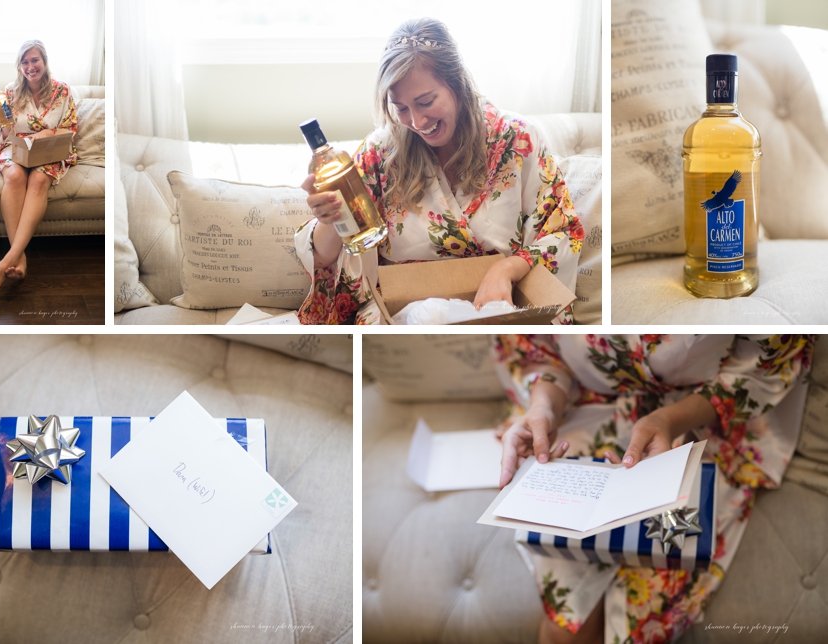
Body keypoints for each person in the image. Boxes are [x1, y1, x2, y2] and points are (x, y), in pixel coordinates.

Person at [493, 334, 813, 644]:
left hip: (700, 422)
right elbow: (535, 350)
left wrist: (668, 421)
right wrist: (543, 407)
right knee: (563, 629)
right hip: (585, 414)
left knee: (637, 626)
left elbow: (768, 357)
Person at [295, 18, 584, 324]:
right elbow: (329, 261)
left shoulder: (516, 139)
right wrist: (330, 220)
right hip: (402, 317)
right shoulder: (380, 153)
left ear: (457, 83)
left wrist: (506, 268)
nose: (417, 122)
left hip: (497, 306)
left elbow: (563, 231)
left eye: (425, 101)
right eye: (401, 108)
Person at [0, 40, 78, 290]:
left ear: (44, 62)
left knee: (38, 180)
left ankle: (8, 260)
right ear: (19, 66)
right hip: (17, 148)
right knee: (14, 177)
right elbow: (5, 137)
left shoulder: (62, 91)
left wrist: (48, 134)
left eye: (34, 60)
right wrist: (0, 120)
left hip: (50, 149)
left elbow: (71, 128)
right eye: (24, 62)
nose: (30, 66)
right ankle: (18, 258)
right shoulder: (11, 92)